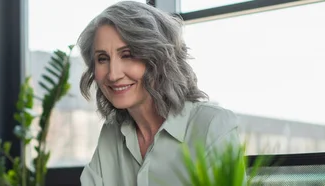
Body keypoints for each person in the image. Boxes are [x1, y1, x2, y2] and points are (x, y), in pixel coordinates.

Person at [76, 1, 241, 186]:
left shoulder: (213, 126)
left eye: (128, 55)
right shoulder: (112, 132)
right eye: (102, 58)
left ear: (160, 58)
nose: (113, 74)